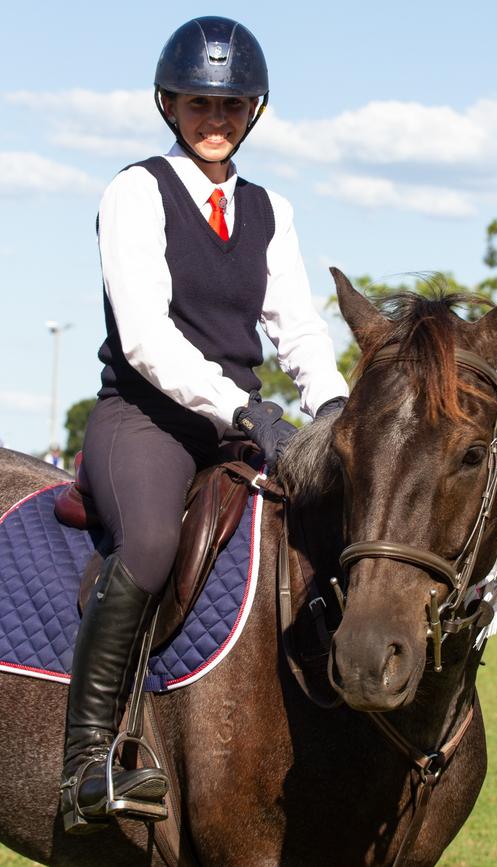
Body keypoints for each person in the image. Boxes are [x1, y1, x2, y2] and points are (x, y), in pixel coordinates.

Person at [59, 16, 348, 833]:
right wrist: (242, 407)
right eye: (197, 104)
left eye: (229, 106)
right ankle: (85, 765)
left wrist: (328, 404)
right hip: (145, 420)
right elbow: (146, 334)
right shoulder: (136, 191)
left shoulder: (269, 210)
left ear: (252, 112)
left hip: (238, 428)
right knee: (149, 544)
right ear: (169, 105)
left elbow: (296, 327)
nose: (213, 120)